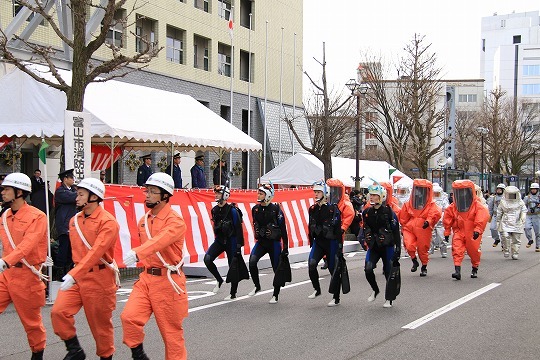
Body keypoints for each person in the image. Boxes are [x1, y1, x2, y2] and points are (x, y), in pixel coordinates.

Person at [51, 178, 119, 360]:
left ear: (94, 197)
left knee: (100, 328)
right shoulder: (74, 220)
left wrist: (73, 274)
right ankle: (75, 350)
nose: (76, 198)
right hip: (77, 278)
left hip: (99, 279)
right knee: (59, 312)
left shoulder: (108, 222)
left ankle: (106, 357)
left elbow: (97, 252)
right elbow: (75, 250)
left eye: (81, 194)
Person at [121, 173, 188, 360]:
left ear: (165, 195)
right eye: (147, 191)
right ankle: (139, 355)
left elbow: (161, 240)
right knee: (129, 317)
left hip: (168, 281)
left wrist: (137, 253)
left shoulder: (175, 221)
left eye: (153, 191)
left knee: (171, 335)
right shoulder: (143, 221)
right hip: (146, 279)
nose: (147, 195)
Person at [0, 173, 49, 360]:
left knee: (32, 323)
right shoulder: (4, 216)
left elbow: (27, 244)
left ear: (19, 192)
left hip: (27, 276)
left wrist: (6, 261)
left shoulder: (38, 217)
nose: (2, 192)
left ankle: (37, 355)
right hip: (6, 275)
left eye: (6, 189)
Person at [361, 183, 401, 308]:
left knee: (388, 271)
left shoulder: (389, 212)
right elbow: (365, 228)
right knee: (368, 268)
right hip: (374, 246)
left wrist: (398, 249)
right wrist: (364, 239)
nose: (372, 197)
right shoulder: (366, 212)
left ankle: (389, 298)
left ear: (381, 197)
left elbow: (395, 231)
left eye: (374, 195)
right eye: (370, 195)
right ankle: (375, 289)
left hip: (387, 246)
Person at [248, 183, 289, 304]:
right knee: (252, 262)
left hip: (274, 243)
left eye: (261, 193)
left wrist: (285, 247)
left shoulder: (276, 209)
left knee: (276, 268)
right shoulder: (255, 209)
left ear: (268, 195)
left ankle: (275, 294)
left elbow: (283, 229)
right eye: (258, 193)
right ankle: (257, 286)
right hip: (261, 242)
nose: (258, 195)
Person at [204, 185, 245, 300]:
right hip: (220, 240)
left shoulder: (232, 211)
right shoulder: (214, 210)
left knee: (233, 266)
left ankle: (233, 292)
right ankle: (219, 279)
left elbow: (238, 228)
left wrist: (238, 245)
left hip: (231, 241)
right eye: (215, 193)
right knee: (207, 259)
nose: (215, 195)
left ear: (225, 195)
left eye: (218, 193)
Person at [443, 179, 490, 280]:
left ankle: (475, 267)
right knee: (457, 249)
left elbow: (482, 217)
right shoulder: (454, 206)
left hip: (472, 232)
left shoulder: (477, 206)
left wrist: (477, 230)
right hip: (459, 231)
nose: (462, 194)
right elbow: (448, 217)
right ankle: (457, 270)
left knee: (473, 251)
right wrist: (447, 231)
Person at [307, 181, 343, 306]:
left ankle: (336, 297)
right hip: (319, 242)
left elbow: (338, 229)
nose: (316, 194)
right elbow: (309, 226)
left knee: (333, 269)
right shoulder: (312, 209)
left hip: (331, 242)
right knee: (311, 264)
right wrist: (311, 241)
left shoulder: (333, 209)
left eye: (318, 192)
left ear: (325, 193)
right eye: (315, 192)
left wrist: (339, 247)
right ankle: (317, 289)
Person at [398, 179, 441, 277]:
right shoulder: (410, 203)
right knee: (408, 245)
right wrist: (403, 226)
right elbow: (404, 215)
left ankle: (424, 266)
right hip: (410, 226)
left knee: (422, 249)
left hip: (423, 228)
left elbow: (434, 213)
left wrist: (428, 221)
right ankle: (414, 260)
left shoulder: (431, 204)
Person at [54, 169, 78, 279]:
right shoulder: (60, 192)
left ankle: (69, 271)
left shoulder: (73, 190)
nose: (73, 180)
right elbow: (73, 197)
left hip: (73, 224)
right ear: (65, 179)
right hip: (64, 225)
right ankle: (59, 272)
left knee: (71, 251)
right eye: (71, 178)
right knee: (63, 249)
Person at [496, 185, 527, 260]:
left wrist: (523, 217)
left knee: (516, 239)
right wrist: (498, 220)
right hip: (506, 221)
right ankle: (506, 250)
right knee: (505, 236)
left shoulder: (520, 202)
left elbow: (524, 210)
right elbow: (499, 211)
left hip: (517, 222)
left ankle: (515, 253)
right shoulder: (503, 202)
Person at [430, 183, 449, 258]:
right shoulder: (430, 200)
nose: (436, 195)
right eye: (435, 193)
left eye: (437, 193)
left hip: (440, 220)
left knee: (442, 237)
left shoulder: (443, 199)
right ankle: (430, 250)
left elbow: (446, 208)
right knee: (431, 237)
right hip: (432, 220)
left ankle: (444, 252)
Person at [523, 182, 540, 252]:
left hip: (537, 215)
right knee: (526, 228)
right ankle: (530, 240)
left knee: (538, 232)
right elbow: (523, 206)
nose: (533, 190)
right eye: (532, 189)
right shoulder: (527, 197)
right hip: (528, 215)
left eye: (535, 189)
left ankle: (538, 246)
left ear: (537, 190)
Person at [488, 183, 506, 248]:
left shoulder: (506, 198)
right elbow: (490, 207)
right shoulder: (493, 198)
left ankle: (504, 245)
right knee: (492, 228)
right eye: (497, 189)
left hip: (503, 216)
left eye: (500, 189)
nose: (498, 191)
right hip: (495, 215)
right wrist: (490, 215)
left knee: (502, 231)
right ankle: (497, 239)